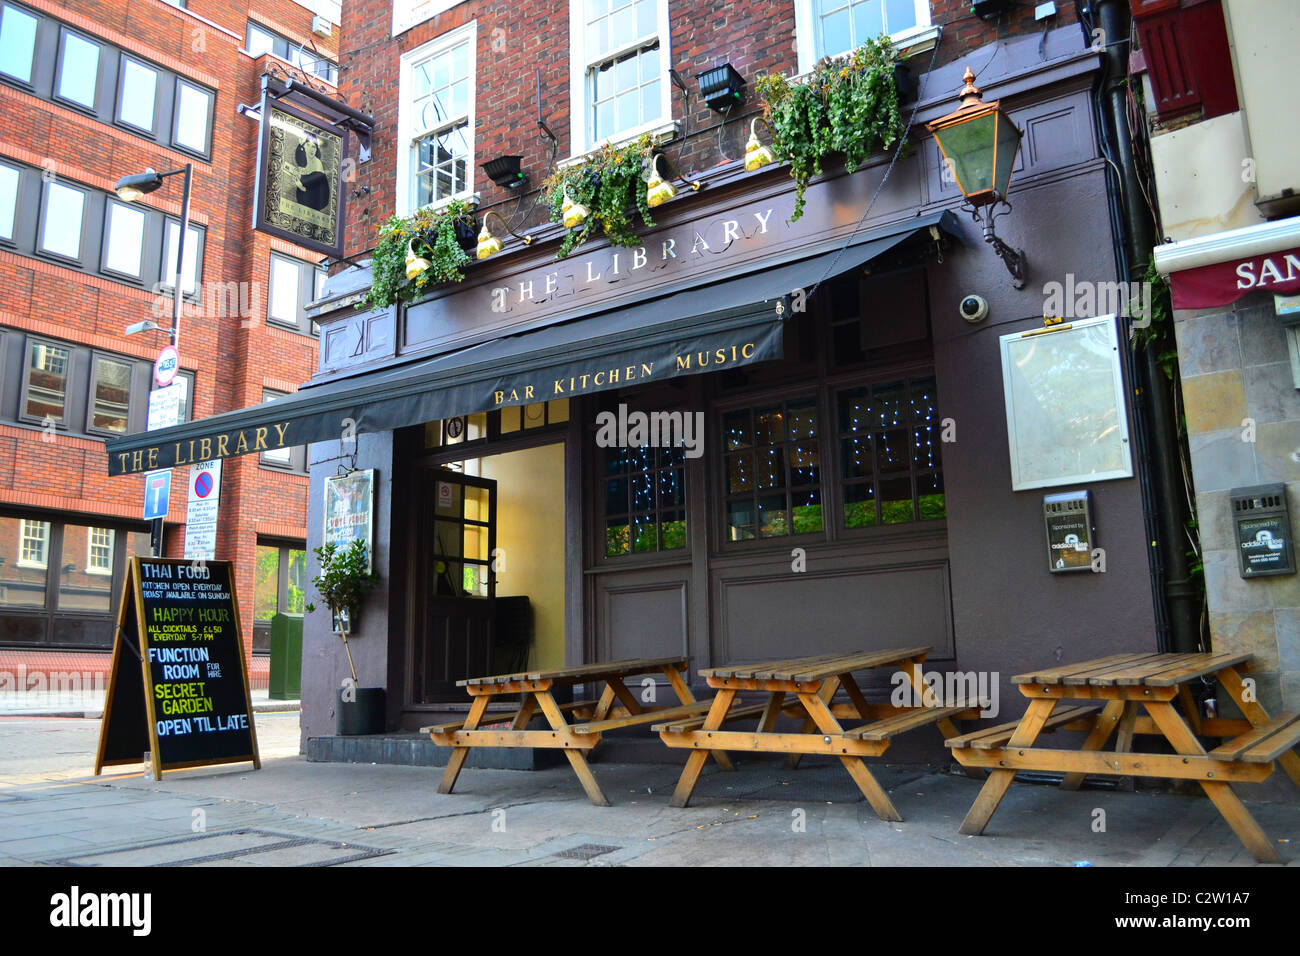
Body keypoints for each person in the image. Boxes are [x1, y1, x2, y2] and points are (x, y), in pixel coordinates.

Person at [289, 133, 329, 211]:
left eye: (313, 146)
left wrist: (302, 185)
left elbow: (316, 182)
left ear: (316, 149)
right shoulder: (303, 161)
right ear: (303, 147)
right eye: (308, 145)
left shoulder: (317, 163)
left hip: (317, 199)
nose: (311, 149)